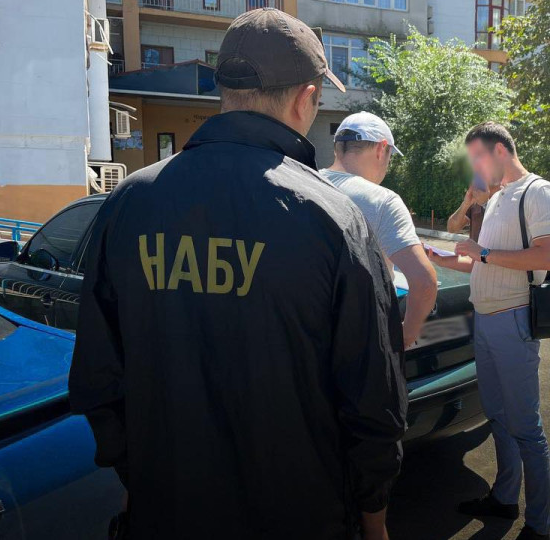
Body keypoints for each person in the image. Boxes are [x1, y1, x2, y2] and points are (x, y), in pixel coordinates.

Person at [68, 9, 407, 540]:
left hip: (166, 513)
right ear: (305, 98)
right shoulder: (333, 219)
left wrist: (140, 480)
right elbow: (372, 399)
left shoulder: (128, 202)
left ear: (223, 91)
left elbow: (97, 377)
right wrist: (375, 520)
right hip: (301, 516)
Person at [428, 122, 550, 540]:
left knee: (526, 426)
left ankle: (539, 526)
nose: (474, 166)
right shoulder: (497, 196)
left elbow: (545, 255)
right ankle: (504, 500)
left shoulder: (539, 191)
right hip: (485, 319)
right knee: (499, 418)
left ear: (500, 150)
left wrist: (482, 251)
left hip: (513, 318)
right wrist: (446, 261)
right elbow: (483, 261)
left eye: (477, 156)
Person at [321, 112, 437, 349]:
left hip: (307, 339)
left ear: (337, 148)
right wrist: (404, 337)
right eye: (390, 157)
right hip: (363, 342)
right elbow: (424, 282)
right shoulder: (382, 201)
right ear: (381, 149)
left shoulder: (302, 183)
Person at [447, 177, 501, 241]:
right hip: (473, 251)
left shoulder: (509, 198)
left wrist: (485, 204)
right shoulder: (475, 201)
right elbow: (452, 229)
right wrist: (465, 204)